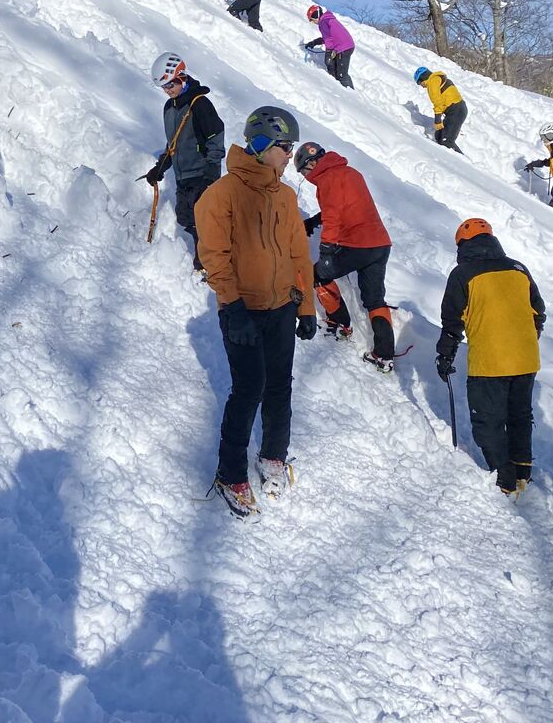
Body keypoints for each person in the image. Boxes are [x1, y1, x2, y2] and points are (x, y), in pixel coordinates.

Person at [195, 107, 317, 518]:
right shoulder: (222, 194)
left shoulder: (285, 196)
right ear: (262, 144)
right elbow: (214, 255)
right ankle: (230, 473)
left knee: (279, 385)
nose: (290, 155)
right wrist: (232, 306)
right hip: (242, 309)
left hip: (281, 306)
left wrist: (306, 306)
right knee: (248, 389)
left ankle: (272, 455)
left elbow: (298, 254)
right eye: (285, 147)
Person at [436, 219, 545, 496]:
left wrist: (445, 355)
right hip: (526, 358)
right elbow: (538, 312)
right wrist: (526, 340)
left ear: (463, 245)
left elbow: (452, 321)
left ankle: (504, 479)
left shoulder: (462, 274)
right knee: (520, 415)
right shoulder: (518, 269)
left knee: (488, 421)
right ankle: (522, 471)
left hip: (490, 362)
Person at [294, 142, 396, 371]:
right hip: (380, 244)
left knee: (318, 274)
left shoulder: (327, 179)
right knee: (375, 300)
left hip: (357, 244)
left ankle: (340, 323)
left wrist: (326, 251)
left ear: (312, 164)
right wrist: (313, 222)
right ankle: (384, 356)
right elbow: (345, 205)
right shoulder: (349, 172)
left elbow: (333, 216)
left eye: (303, 171)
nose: (305, 177)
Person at [142, 52, 225, 270]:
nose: (167, 90)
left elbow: (215, 138)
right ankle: (206, 261)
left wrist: (211, 174)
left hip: (202, 175)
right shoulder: (169, 108)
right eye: (164, 87)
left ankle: (209, 265)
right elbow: (174, 143)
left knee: (204, 223)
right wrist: (160, 168)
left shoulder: (200, 104)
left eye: (171, 85)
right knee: (187, 218)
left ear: (182, 77)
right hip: (183, 176)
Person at [414, 66, 467, 153]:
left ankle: (461, 160)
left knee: (446, 141)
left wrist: (437, 120)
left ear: (422, 78)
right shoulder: (437, 79)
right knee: (439, 136)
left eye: (419, 83)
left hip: (456, 111)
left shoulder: (432, 82)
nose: (422, 86)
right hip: (456, 110)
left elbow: (437, 102)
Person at [303, 5, 354, 89]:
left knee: (341, 74)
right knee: (338, 72)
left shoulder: (323, 22)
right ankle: (341, 90)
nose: (312, 22)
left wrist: (329, 53)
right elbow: (328, 37)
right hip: (346, 46)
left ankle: (350, 93)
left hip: (343, 48)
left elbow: (328, 39)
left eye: (312, 19)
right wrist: (314, 42)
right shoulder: (328, 19)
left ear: (316, 15)